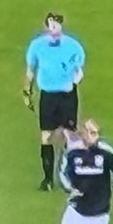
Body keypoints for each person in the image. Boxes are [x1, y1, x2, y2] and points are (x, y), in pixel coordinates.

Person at [22, 12, 85, 190]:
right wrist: (27, 91)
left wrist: (75, 79)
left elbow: (79, 70)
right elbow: (31, 70)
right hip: (48, 97)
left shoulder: (74, 47)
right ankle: (48, 179)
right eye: (51, 25)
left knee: (70, 136)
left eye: (57, 24)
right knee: (46, 136)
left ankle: (69, 177)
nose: (54, 28)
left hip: (67, 96)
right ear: (46, 26)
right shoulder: (37, 46)